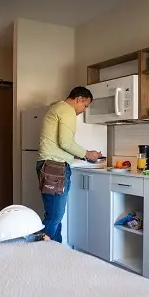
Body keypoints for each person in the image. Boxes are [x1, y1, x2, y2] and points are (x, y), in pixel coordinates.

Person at [36, 86, 101, 243]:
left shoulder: (57, 107)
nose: (84, 110)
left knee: (54, 216)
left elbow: (59, 143)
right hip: (55, 168)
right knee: (54, 217)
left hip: (49, 165)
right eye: (85, 105)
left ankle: (55, 253)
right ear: (79, 99)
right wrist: (87, 154)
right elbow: (65, 142)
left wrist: (79, 156)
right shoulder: (67, 110)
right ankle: (37, 251)